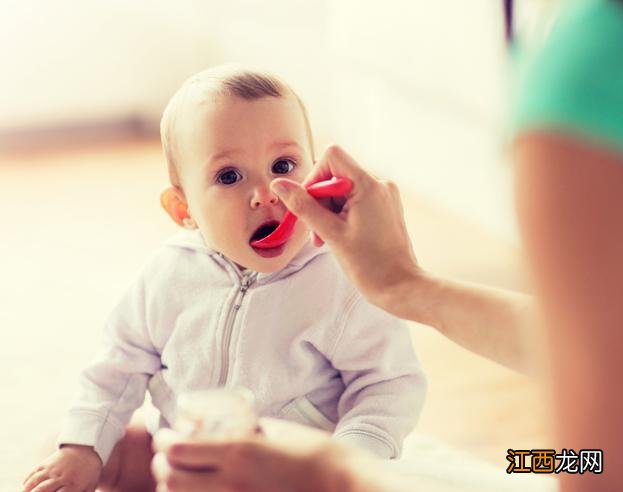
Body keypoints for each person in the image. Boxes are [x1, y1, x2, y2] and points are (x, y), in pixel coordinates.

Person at [152, 0, 623, 491]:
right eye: (229, 176)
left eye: (282, 166)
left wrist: (331, 473)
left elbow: (608, 460)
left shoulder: (596, 62)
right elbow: (595, 373)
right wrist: (405, 284)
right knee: (535, 460)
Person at [22, 66, 426, 492]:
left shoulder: (339, 278)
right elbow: (119, 362)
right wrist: (83, 447)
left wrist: (348, 459)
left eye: (283, 164)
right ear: (184, 210)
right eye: (229, 176)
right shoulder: (169, 274)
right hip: (184, 453)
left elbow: (388, 383)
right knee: (84, 448)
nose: (267, 192)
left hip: (285, 472)